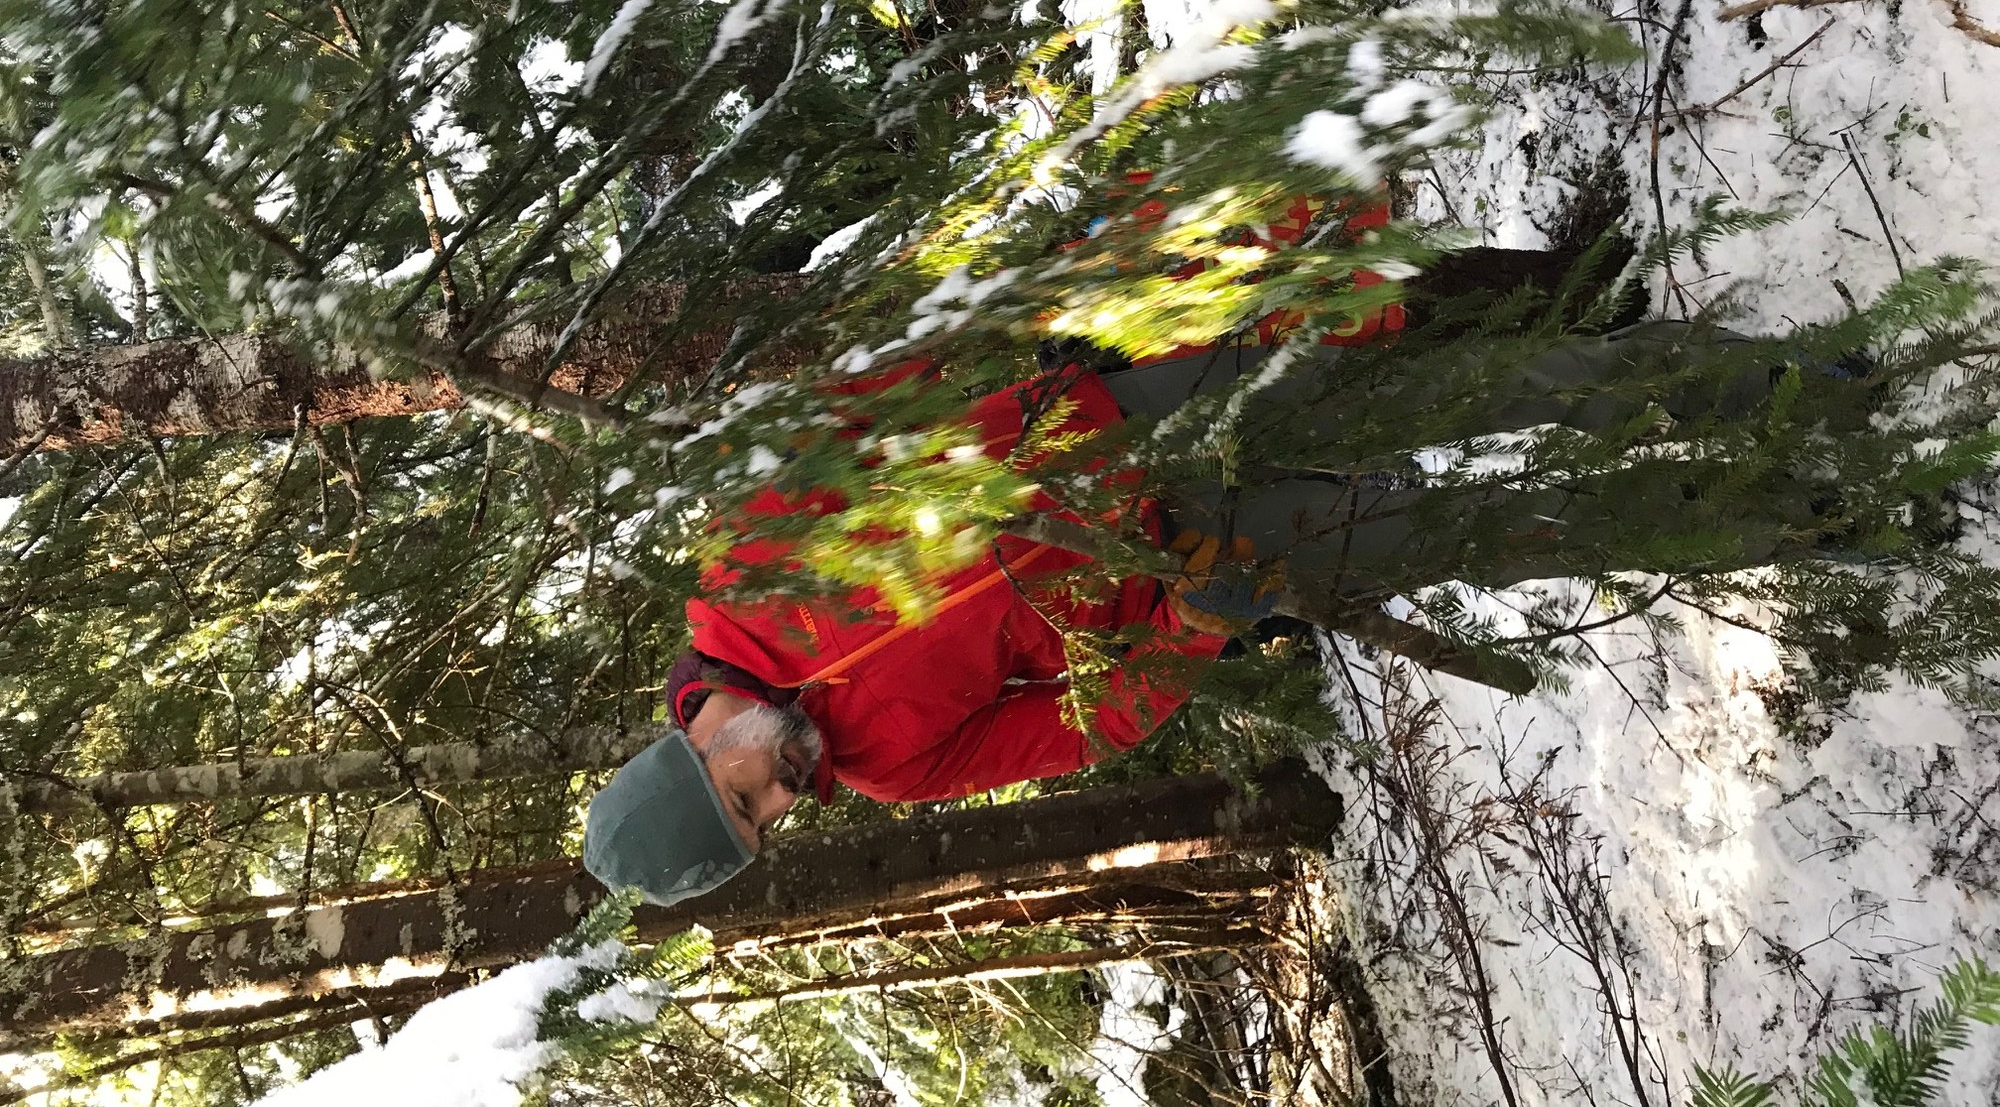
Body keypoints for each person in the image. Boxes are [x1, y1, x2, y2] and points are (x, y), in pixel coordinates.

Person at [583, 212, 1845, 908]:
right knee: (1498, 537)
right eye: (765, 827)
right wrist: (1191, 626)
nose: (783, 802)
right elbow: (1087, 725)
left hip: (1137, 416)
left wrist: (1024, 337)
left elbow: (870, 402)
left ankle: (1781, 385)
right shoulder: (891, 769)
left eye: (744, 801)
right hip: (1193, 557)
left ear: (690, 754)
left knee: (1485, 386)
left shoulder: (743, 572)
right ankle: (1787, 515)